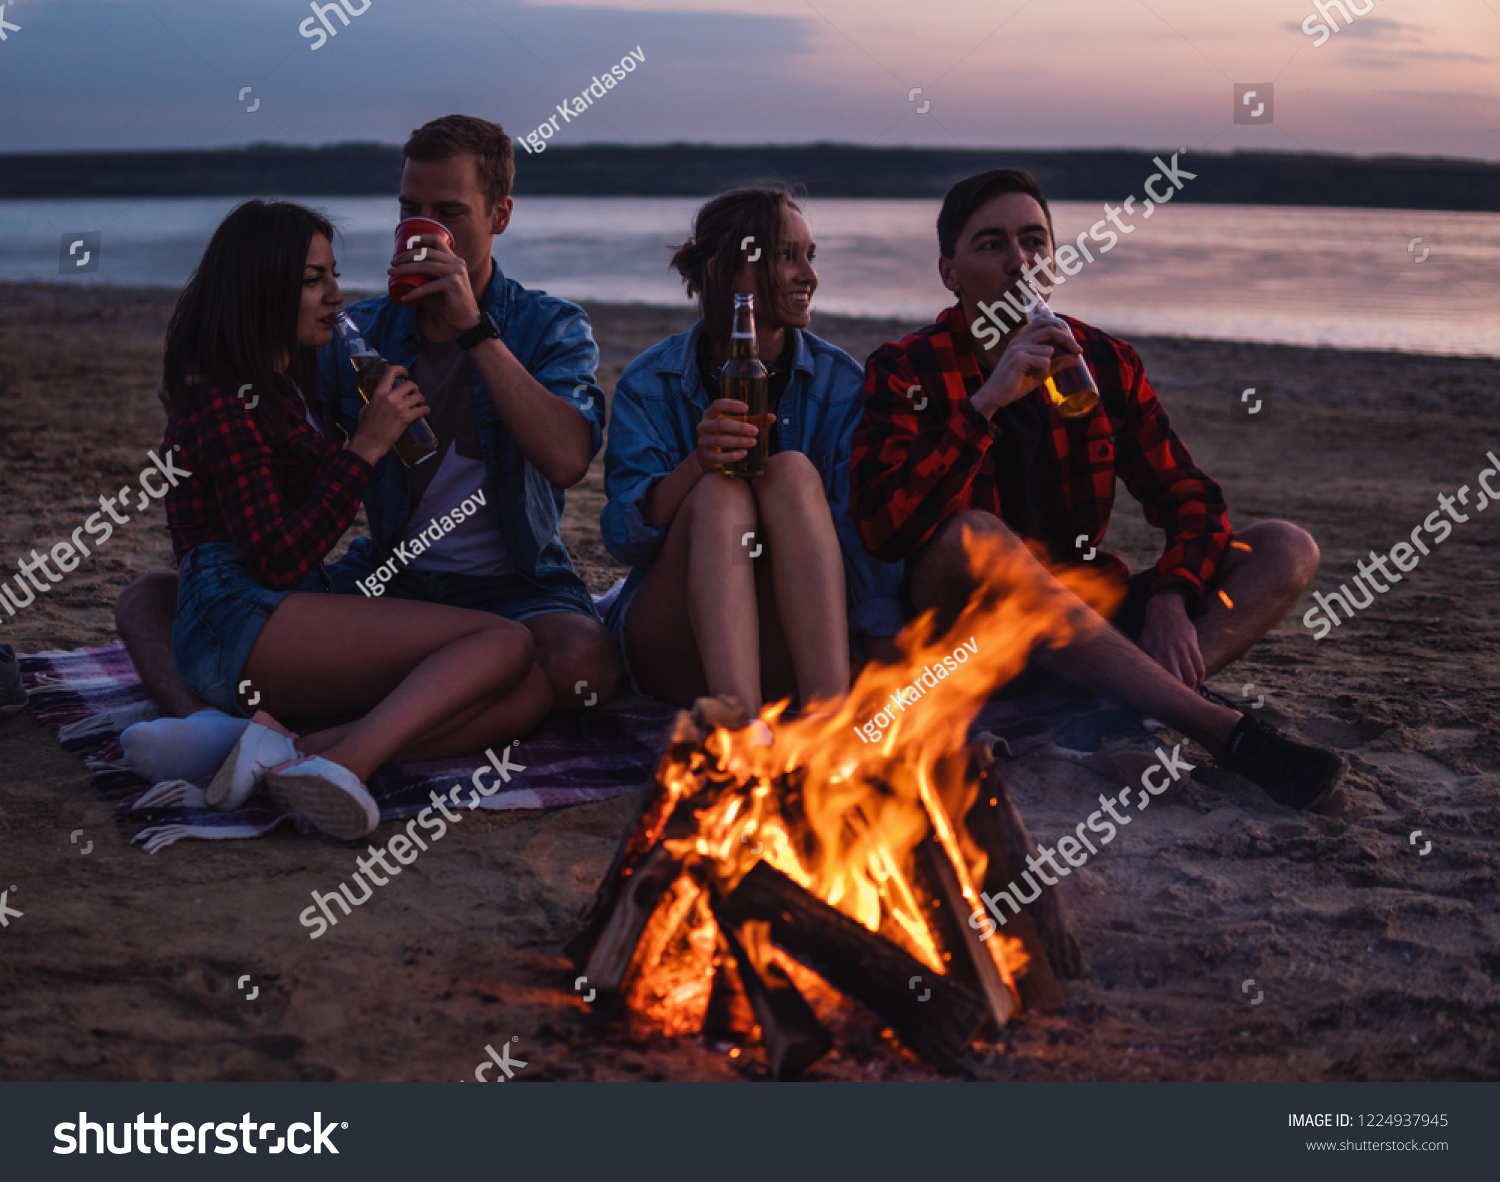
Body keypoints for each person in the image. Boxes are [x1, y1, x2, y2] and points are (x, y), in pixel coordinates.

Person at [116, 114, 621, 783]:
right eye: (409, 209)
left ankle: (307, 746)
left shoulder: (548, 324)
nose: (422, 228)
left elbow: (566, 458)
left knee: (581, 665)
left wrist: (475, 330)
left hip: (515, 586)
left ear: (499, 215)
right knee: (150, 599)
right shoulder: (357, 330)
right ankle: (215, 732)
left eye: (448, 212)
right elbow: (257, 380)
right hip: (390, 578)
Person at [849, 168, 1346, 810]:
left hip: (1091, 620)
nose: (1019, 261)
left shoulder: (1102, 362)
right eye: (992, 244)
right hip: (968, 638)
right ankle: (1214, 727)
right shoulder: (906, 369)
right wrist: (987, 403)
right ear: (950, 271)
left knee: (1285, 548)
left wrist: (1171, 597)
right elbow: (884, 529)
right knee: (975, 534)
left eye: (1034, 241)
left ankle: (1119, 705)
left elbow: (1189, 498)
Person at [155, 199, 549, 839]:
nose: (336, 295)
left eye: (333, 275)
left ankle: (288, 752)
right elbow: (274, 558)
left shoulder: (291, 380)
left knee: (526, 692)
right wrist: (365, 447)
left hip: (284, 605)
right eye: (313, 280)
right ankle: (346, 762)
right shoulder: (223, 394)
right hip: (238, 614)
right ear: (259, 288)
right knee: (503, 642)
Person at [601, 187, 903, 715]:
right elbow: (625, 540)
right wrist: (697, 464)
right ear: (724, 271)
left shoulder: (840, 383)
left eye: (810, 256)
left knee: (789, 472)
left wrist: (884, 664)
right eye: (786, 257)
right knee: (719, 492)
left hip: (789, 646)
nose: (808, 274)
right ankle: (737, 722)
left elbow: (861, 545)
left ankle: (826, 716)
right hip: (676, 645)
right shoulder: (651, 381)